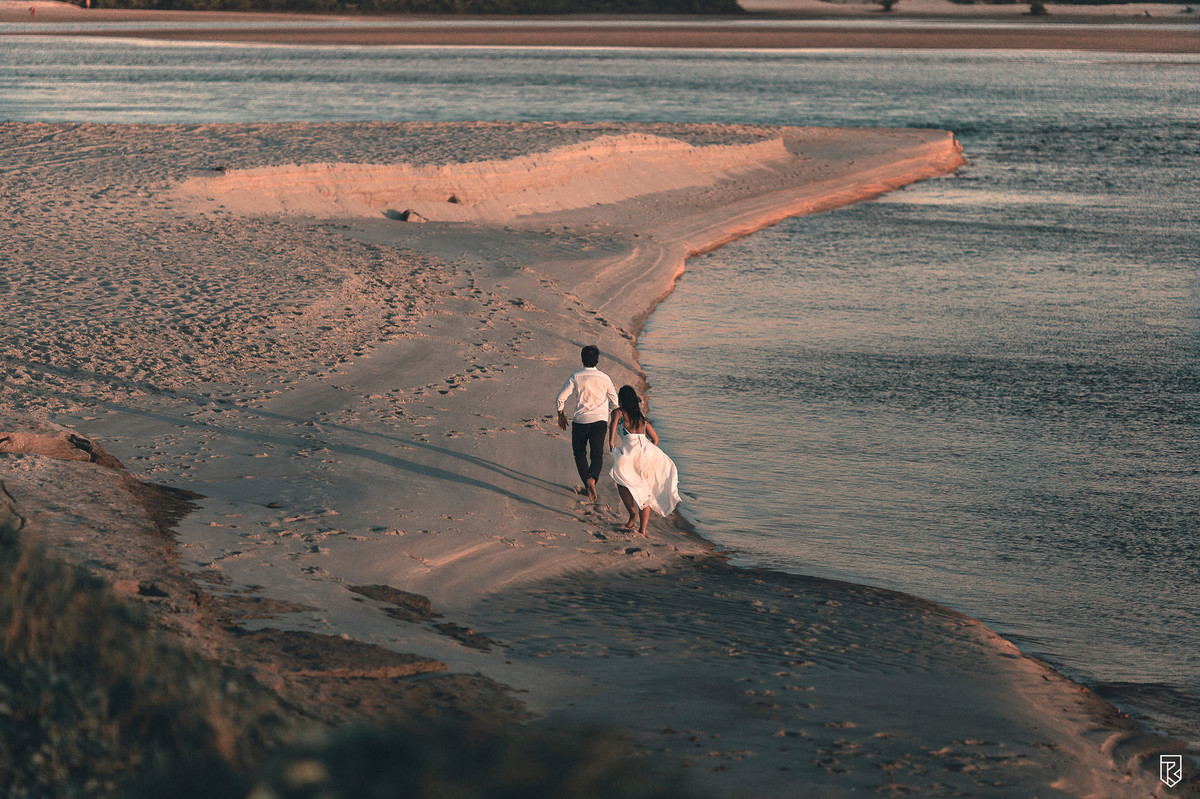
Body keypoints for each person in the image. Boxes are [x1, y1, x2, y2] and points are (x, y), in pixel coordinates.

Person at [607, 385, 680, 535]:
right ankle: (643, 529)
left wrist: (611, 443)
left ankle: (632, 513)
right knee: (645, 489)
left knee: (621, 481)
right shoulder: (641, 418)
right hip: (648, 452)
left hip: (631, 451)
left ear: (621, 399)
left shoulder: (618, 412)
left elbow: (613, 425)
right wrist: (649, 453)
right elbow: (656, 439)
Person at [556, 345, 618, 502]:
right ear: (597, 360)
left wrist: (560, 413)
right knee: (597, 454)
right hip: (600, 421)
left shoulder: (575, 376)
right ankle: (593, 479)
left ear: (582, 359)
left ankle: (587, 481)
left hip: (581, 421)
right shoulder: (605, 378)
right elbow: (615, 402)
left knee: (579, 453)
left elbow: (560, 397)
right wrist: (608, 412)